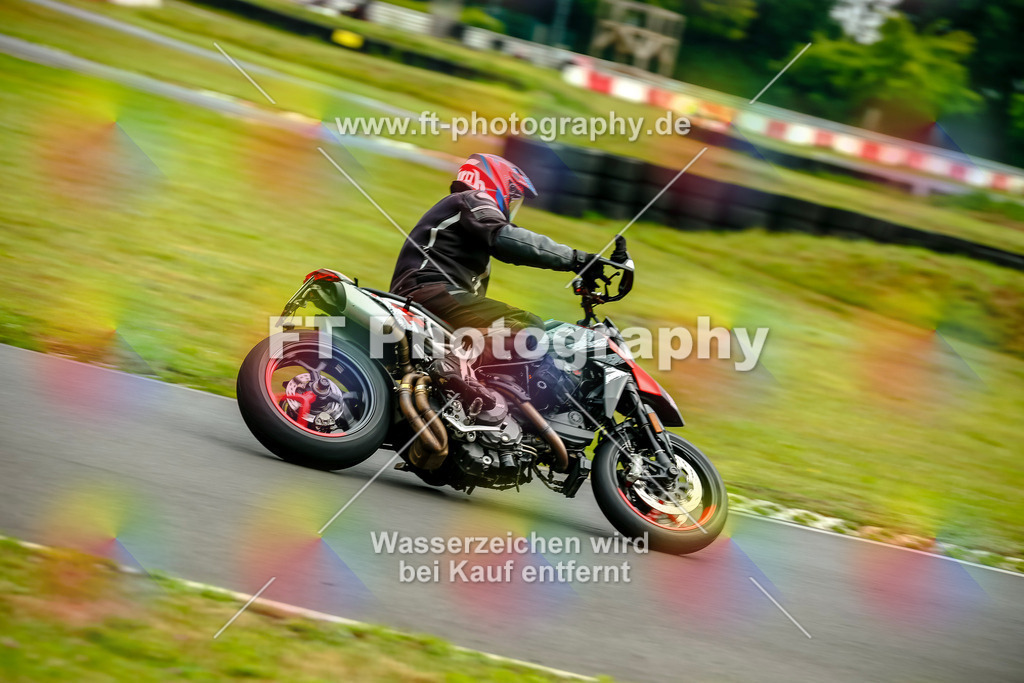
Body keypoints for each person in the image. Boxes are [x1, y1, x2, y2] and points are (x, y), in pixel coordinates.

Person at [389, 153, 597, 406]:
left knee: (503, 335)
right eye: (513, 196)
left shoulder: (462, 221)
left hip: (425, 295)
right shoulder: (472, 199)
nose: (511, 206)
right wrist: (578, 259)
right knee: (525, 324)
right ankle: (459, 372)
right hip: (429, 291)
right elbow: (505, 239)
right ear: (496, 183)